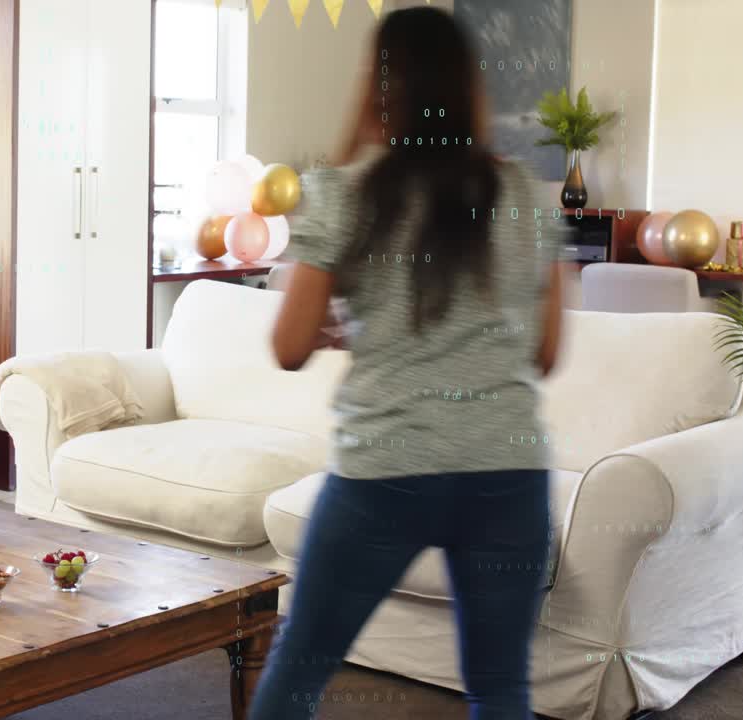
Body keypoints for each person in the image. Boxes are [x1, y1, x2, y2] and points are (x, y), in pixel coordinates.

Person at [250, 7, 570, 720]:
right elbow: (547, 354)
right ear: (468, 88)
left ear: (380, 90)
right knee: (500, 687)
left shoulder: (346, 191)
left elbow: (287, 345)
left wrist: (367, 328)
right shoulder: (524, 194)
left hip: (386, 473)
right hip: (506, 472)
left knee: (299, 667)